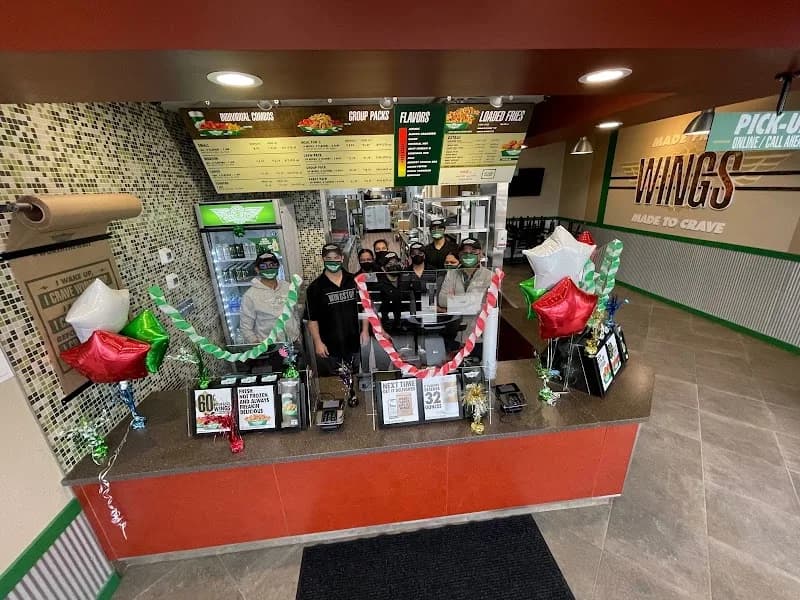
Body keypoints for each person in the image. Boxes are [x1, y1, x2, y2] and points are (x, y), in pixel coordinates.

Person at [306, 243, 369, 405]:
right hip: (330, 341)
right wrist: (318, 342)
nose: (333, 262)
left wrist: (365, 330)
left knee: (354, 369)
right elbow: (312, 319)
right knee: (338, 372)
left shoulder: (354, 281)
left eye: (336, 258)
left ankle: (353, 392)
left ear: (342, 258)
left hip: (354, 338)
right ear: (323, 260)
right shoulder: (315, 288)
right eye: (329, 259)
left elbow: (365, 309)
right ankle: (346, 395)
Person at [437, 238, 493, 344]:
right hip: (454, 334)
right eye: (464, 252)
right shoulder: (451, 274)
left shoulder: (490, 276)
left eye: (473, 252)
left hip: (478, 337)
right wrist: (473, 300)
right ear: (460, 254)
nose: (468, 254)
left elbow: (484, 306)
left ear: (480, 254)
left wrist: (449, 308)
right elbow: (442, 300)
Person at [240, 252, 300, 345]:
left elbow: (295, 312)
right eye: (264, 266)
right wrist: (258, 346)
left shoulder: (288, 287)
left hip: (293, 343)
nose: (269, 269)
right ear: (257, 269)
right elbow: (246, 327)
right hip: (269, 347)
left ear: (278, 266)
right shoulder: (250, 295)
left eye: (273, 265)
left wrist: (298, 334)